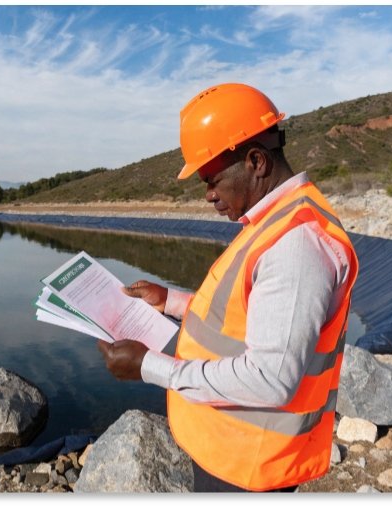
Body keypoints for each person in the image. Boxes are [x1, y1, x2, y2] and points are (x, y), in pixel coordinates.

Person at [97, 83, 359, 492]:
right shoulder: (272, 222)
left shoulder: (297, 246)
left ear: (256, 161)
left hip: (251, 467)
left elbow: (271, 379)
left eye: (213, 180)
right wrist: (170, 301)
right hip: (229, 452)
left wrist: (149, 366)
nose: (208, 195)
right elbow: (239, 315)